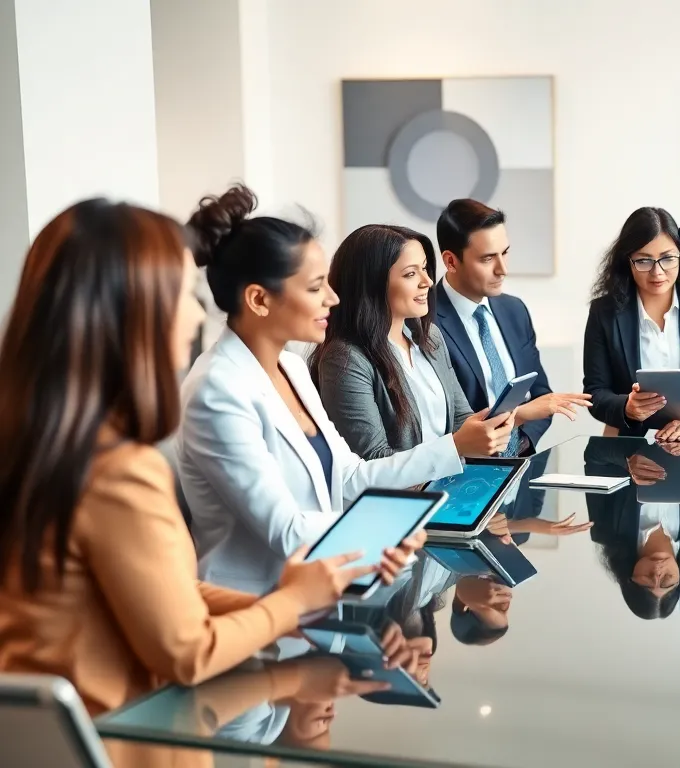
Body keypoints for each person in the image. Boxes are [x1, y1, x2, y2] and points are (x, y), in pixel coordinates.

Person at [0, 198, 416, 718]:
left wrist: (292, 606)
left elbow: (164, 593)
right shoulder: (117, 470)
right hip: (126, 735)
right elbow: (187, 652)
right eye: (182, 294)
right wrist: (290, 604)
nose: (198, 313)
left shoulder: (51, 447)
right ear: (128, 318)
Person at [178, 184, 461, 596]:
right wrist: (389, 532)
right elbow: (287, 529)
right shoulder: (216, 391)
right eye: (315, 288)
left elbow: (350, 477)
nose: (333, 297)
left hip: (322, 592)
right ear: (259, 299)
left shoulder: (290, 366)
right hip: (255, 609)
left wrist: (446, 457)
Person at [310, 223, 513, 461]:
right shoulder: (345, 358)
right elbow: (373, 459)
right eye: (410, 274)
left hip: (450, 486)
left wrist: (488, 428)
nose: (427, 281)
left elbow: (460, 419)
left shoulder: (430, 338)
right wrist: (456, 447)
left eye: (425, 269)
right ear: (372, 284)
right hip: (405, 497)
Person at [433, 199, 590, 456]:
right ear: (451, 261)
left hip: (521, 468)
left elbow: (541, 395)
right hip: (461, 475)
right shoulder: (423, 322)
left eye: (505, 253)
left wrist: (521, 445)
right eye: (487, 259)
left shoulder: (514, 310)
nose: (503, 269)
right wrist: (518, 419)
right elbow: (434, 422)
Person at [583, 207, 680, 440]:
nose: (657, 272)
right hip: (628, 448)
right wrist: (626, 407)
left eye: (667, 258)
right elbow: (595, 393)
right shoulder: (605, 312)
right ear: (628, 262)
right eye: (644, 260)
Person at [583, 438, 680, 619]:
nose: (658, 572)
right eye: (667, 581)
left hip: (632, 418)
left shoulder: (606, 531)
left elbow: (594, 453)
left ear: (630, 579)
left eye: (648, 580)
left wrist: (627, 460)